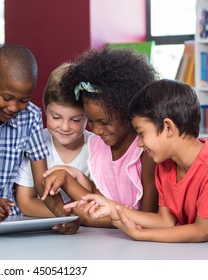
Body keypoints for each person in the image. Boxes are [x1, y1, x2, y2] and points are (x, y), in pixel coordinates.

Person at [68, 79, 208, 242]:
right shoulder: (165, 166)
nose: (139, 143)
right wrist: (112, 208)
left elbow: (202, 231)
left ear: (168, 127)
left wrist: (139, 234)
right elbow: (165, 221)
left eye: (141, 133)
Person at [0, 45, 75, 233]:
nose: (13, 107)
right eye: (7, 97)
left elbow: (40, 181)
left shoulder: (31, 117)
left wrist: (63, 215)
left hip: (10, 222)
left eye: (23, 100)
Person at [42, 47, 159, 227]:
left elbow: (147, 217)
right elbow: (97, 204)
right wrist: (65, 177)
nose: (96, 130)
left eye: (104, 122)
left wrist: (88, 217)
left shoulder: (145, 151)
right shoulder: (98, 145)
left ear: (128, 111)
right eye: (90, 121)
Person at [15, 62, 93, 217]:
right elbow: (26, 202)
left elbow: (99, 198)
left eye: (76, 120)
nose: (65, 127)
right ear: (45, 108)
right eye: (56, 117)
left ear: (89, 115)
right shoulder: (35, 142)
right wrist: (66, 215)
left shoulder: (96, 148)